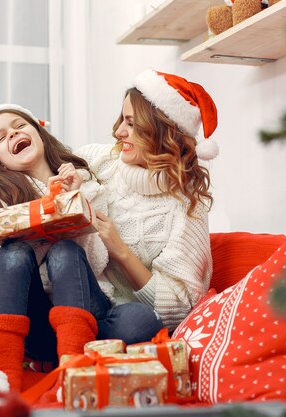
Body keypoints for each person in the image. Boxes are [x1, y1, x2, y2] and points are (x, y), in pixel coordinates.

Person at [0, 104, 108, 395]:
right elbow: (8, 269)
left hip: (79, 298)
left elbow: (98, 260)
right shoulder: (0, 197)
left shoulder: (83, 180)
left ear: (39, 132)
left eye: (19, 125)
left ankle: (72, 362)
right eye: (1, 137)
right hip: (32, 314)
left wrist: (72, 200)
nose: (13, 133)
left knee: (64, 251)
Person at [76, 68, 218, 337]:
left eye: (131, 123)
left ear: (160, 132)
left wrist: (119, 249)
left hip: (119, 317)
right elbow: (40, 184)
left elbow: (178, 305)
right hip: (72, 292)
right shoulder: (99, 160)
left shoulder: (187, 205)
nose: (118, 132)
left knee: (139, 322)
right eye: (122, 120)